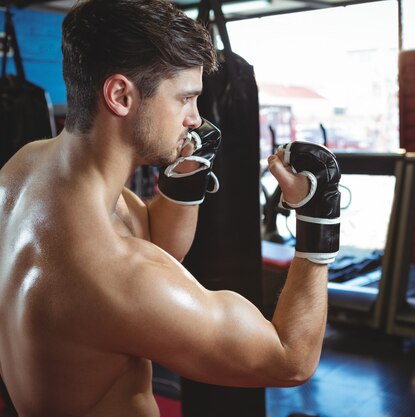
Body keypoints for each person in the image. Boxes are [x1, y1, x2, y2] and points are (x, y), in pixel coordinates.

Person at [0, 0, 340, 416]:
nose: (196, 119)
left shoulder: (24, 170)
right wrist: (317, 215)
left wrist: (186, 178)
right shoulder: (117, 277)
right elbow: (291, 359)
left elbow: (159, 247)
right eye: (186, 99)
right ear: (121, 95)